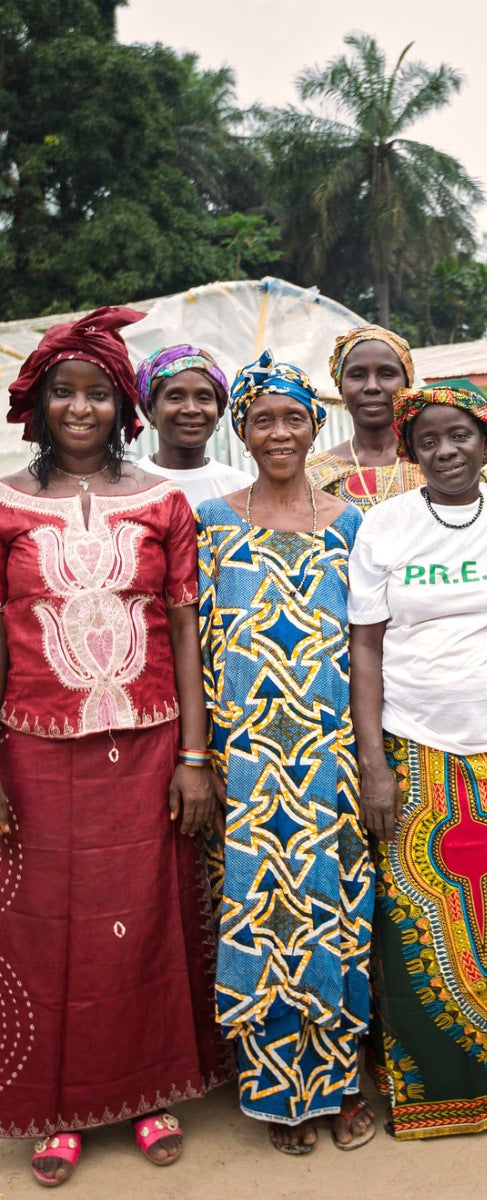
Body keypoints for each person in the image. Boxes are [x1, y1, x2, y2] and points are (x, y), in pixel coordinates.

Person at [0, 307, 230, 1188]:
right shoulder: (6, 504)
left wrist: (195, 759)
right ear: (39, 404)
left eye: (99, 393)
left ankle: (147, 1092)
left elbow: (183, 631)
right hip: (34, 747)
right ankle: (55, 1110)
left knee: (144, 926)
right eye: (66, 392)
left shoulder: (162, 503)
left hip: (149, 745)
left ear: (123, 405)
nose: (83, 408)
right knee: (42, 931)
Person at [348, 379, 487, 1140]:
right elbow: (366, 645)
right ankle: (428, 1096)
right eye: (427, 439)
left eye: (460, 435)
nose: (445, 449)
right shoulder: (385, 525)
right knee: (416, 930)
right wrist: (374, 764)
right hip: (413, 745)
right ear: (410, 450)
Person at [197, 350, 375, 1155]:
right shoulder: (211, 521)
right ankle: (277, 1089)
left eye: (293, 418)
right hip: (250, 763)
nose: (279, 432)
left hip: (332, 757)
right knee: (266, 913)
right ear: (241, 429)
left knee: (341, 916)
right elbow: (196, 650)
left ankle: (339, 1085)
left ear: (315, 427)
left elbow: (373, 647)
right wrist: (201, 759)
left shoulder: (348, 524)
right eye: (262, 419)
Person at [307, 324, 424, 509]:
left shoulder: (438, 465)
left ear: (407, 385)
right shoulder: (311, 477)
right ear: (340, 387)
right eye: (357, 375)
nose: (372, 386)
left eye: (387, 374)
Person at [134, 344, 255, 508]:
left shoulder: (242, 489)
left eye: (203, 397)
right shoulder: (128, 487)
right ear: (150, 411)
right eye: (175, 397)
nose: (191, 409)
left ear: (219, 410)